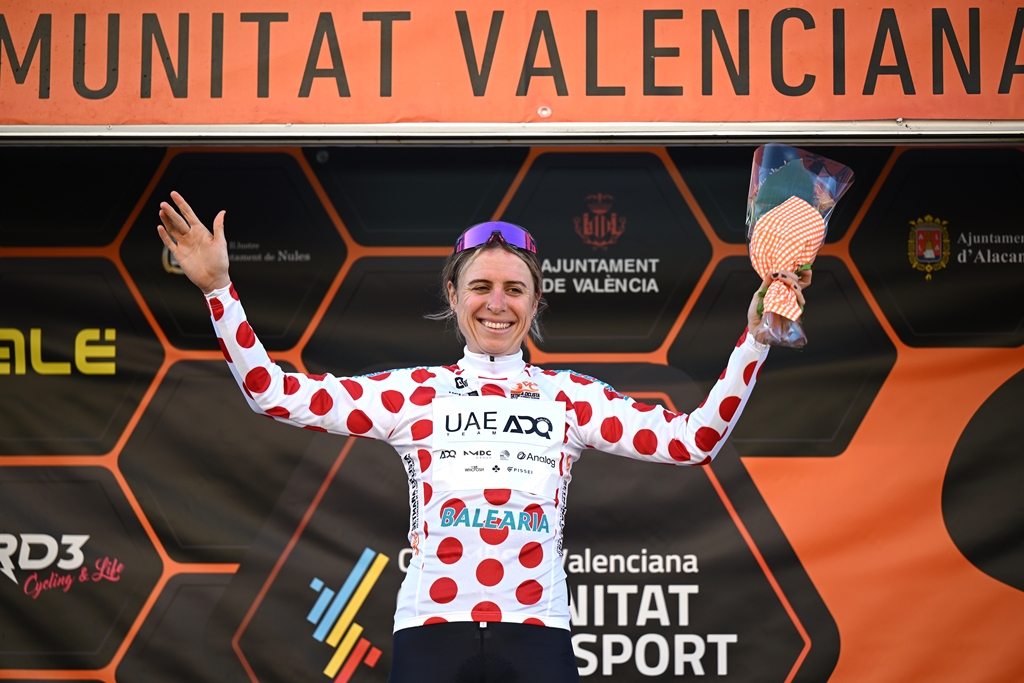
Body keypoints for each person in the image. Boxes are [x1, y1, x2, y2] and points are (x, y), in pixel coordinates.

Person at [157, 191, 807, 683]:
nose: (497, 303)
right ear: (453, 293)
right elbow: (272, 394)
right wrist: (219, 290)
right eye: (481, 287)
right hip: (430, 630)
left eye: (514, 289)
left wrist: (755, 338)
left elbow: (694, 440)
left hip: (538, 630)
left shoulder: (568, 398)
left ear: (536, 301)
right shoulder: (413, 394)